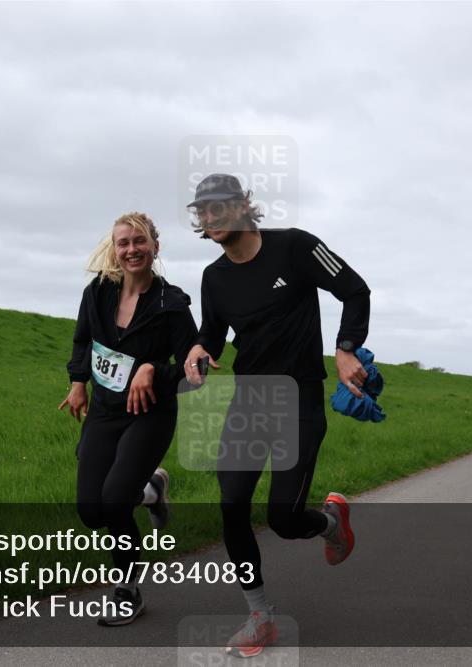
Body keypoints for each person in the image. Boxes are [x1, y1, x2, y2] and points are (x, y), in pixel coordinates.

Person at [182, 173, 370, 658]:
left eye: (221, 205)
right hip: (249, 401)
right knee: (231, 506)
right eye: (204, 210)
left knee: (284, 518)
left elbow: (355, 289)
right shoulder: (214, 278)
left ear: (245, 204)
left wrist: (346, 348)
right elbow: (213, 332)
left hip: (300, 399)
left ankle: (331, 522)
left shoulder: (296, 247)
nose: (212, 217)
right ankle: (259, 616)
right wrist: (200, 350)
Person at [60, 212, 198, 626]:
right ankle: (152, 489)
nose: (131, 250)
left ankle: (127, 590)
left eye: (140, 242)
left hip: (150, 414)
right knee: (91, 511)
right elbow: (83, 338)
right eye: (124, 243)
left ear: (155, 246)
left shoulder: (171, 303)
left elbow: (196, 370)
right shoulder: (98, 291)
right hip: (104, 410)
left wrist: (155, 368)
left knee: (116, 501)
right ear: (114, 248)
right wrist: (78, 381)